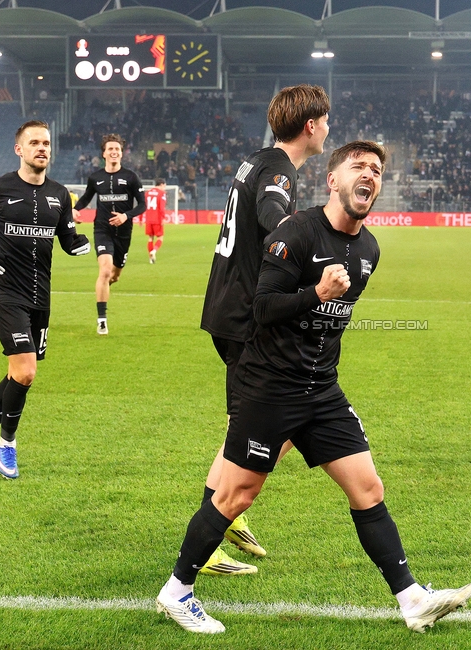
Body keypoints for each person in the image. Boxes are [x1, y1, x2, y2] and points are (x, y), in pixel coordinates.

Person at [156, 141, 471, 634]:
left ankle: (411, 598)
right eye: (358, 166)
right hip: (268, 386)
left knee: (368, 487)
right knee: (236, 495)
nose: (368, 174)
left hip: (321, 390)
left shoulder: (369, 248)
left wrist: (321, 332)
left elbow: (331, 325)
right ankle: (176, 592)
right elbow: (262, 309)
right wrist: (317, 293)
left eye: (376, 169)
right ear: (333, 180)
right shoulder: (295, 231)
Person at [196, 84, 331, 575]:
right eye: (327, 120)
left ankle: (228, 515)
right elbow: (275, 218)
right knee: (273, 422)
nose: (329, 129)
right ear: (311, 125)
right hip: (248, 318)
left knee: (260, 422)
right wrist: (312, 245)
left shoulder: (256, 160)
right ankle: (214, 531)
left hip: (229, 310)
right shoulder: (277, 171)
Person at [0, 120, 91, 479]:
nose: (41, 148)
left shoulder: (61, 195)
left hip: (40, 297)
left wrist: (79, 244)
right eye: (34, 142)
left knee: (18, 374)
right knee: (26, 371)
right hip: (4, 293)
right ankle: (7, 445)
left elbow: (67, 237)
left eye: (46, 142)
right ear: (20, 149)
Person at [72, 134, 145, 335]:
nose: (114, 152)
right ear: (104, 153)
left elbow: (143, 205)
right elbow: (86, 198)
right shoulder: (95, 178)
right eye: (110, 149)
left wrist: (126, 216)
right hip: (102, 229)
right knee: (104, 271)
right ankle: (102, 320)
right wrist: (74, 209)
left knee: (114, 275)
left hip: (123, 232)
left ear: (121, 153)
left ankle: (107, 284)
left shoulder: (131, 177)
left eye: (117, 149)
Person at [143, 178, 166, 264]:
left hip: (148, 219)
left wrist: (141, 218)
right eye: (164, 186)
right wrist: (163, 218)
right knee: (160, 238)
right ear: (162, 184)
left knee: (150, 238)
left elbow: (143, 205)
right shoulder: (161, 194)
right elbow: (162, 207)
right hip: (157, 219)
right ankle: (154, 251)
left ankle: (150, 259)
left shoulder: (147, 193)